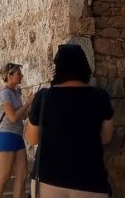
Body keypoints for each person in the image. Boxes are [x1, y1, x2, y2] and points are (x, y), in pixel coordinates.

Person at [25, 44, 115, 198]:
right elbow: (106, 138)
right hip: (90, 179)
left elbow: (32, 139)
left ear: (57, 69)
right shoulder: (100, 97)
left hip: (49, 178)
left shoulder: (44, 97)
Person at [0, 62, 36, 198]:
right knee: (4, 177)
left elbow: (22, 116)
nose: (21, 75)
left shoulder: (16, 93)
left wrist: (31, 105)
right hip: (7, 137)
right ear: (9, 76)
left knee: (22, 175)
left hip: (17, 136)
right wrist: (28, 103)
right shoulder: (5, 94)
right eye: (18, 73)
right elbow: (12, 117)